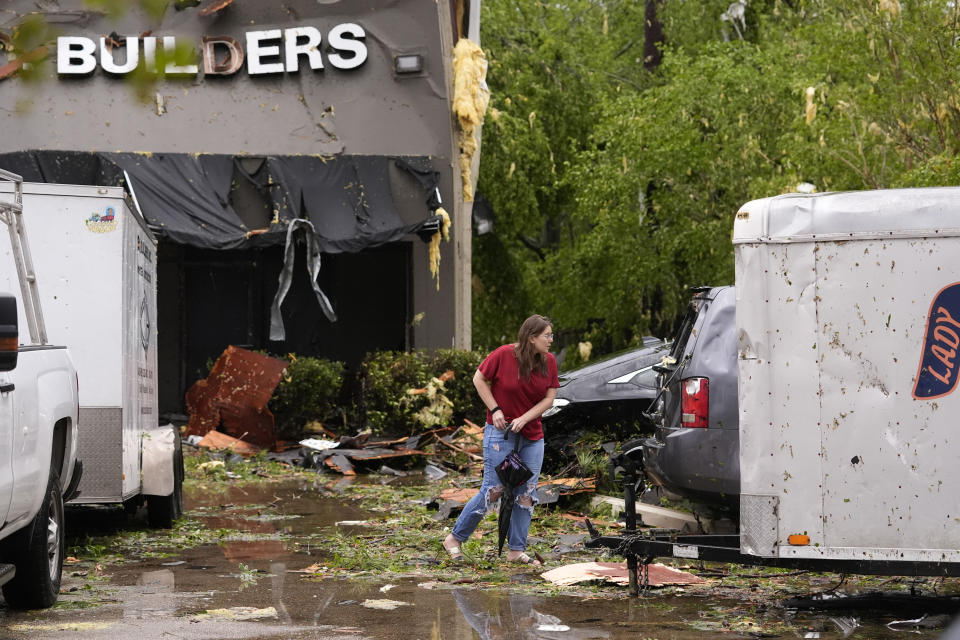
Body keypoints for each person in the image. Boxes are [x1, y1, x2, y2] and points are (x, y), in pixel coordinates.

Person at [442, 314, 558, 565]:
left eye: (551, 335)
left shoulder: (548, 362)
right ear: (531, 337)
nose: (551, 340)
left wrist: (525, 418)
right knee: (494, 490)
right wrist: (495, 410)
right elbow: (478, 378)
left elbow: (549, 399)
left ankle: (516, 550)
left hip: (532, 437)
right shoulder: (504, 355)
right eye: (547, 335)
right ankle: (454, 539)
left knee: (526, 493)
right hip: (501, 433)